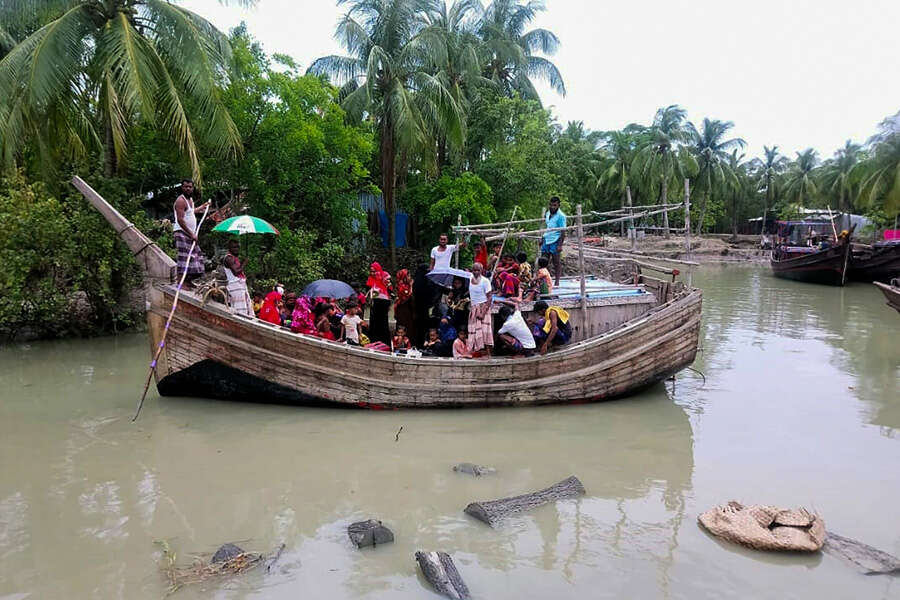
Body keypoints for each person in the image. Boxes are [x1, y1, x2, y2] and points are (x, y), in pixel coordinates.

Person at [173, 179, 210, 288]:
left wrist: (203, 207)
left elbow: (191, 212)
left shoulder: (190, 200)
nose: (188, 188)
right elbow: (180, 220)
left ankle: (188, 281)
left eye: (190, 187)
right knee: (185, 257)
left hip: (189, 234)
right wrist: (191, 234)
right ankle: (180, 282)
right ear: (182, 187)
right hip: (182, 233)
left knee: (195, 257)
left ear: (193, 188)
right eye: (186, 187)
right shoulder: (180, 201)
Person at [466, 262, 494, 357]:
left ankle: (488, 354)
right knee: (475, 331)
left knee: (485, 331)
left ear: (481, 271)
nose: (476, 272)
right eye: (474, 270)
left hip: (483, 307)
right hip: (474, 307)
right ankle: (479, 353)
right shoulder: (469, 279)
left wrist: (482, 313)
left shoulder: (485, 281)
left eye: (478, 270)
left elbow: (489, 298)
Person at [222, 241, 252, 317]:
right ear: (229, 248)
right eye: (234, 247)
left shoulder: (234, 258)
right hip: (235, 286)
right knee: (239, 309)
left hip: (240, 285)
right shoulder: (229, 258)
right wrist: (244, 263)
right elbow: (236, 272)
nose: (236, 249)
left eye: (238, 247)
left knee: (245, 306)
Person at [541, 196, 566, 286]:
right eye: (551, 205)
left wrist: (560, 245)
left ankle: (557, 281)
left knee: (556, 261)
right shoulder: (548, 213)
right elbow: (547, 227)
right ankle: (545, 279)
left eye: (555, 205)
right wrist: (542, 238)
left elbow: (563, 231)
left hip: (555, 240)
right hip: (547, 238)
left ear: (558, 205)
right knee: (544, 261)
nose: (552, 207)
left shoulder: (561, 216)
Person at [366, 262, 392, 344]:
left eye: (374, 271)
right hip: (375, 303)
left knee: (383, 322)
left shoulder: (384, 277)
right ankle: (374, 341)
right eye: (371, 271)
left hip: (383, 303)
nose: (372, 273)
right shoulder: (370, 279)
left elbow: (390, 290)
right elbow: (368, 291)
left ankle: (384, 342)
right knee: (374, 322)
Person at [393, 268, 416, 343]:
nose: (410, 278)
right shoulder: (401, 286)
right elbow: (407, 296)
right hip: (403, 310)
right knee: (403, 327)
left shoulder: (407, 285)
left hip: (408, 310)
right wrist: (411, 286)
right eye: (408, 276)